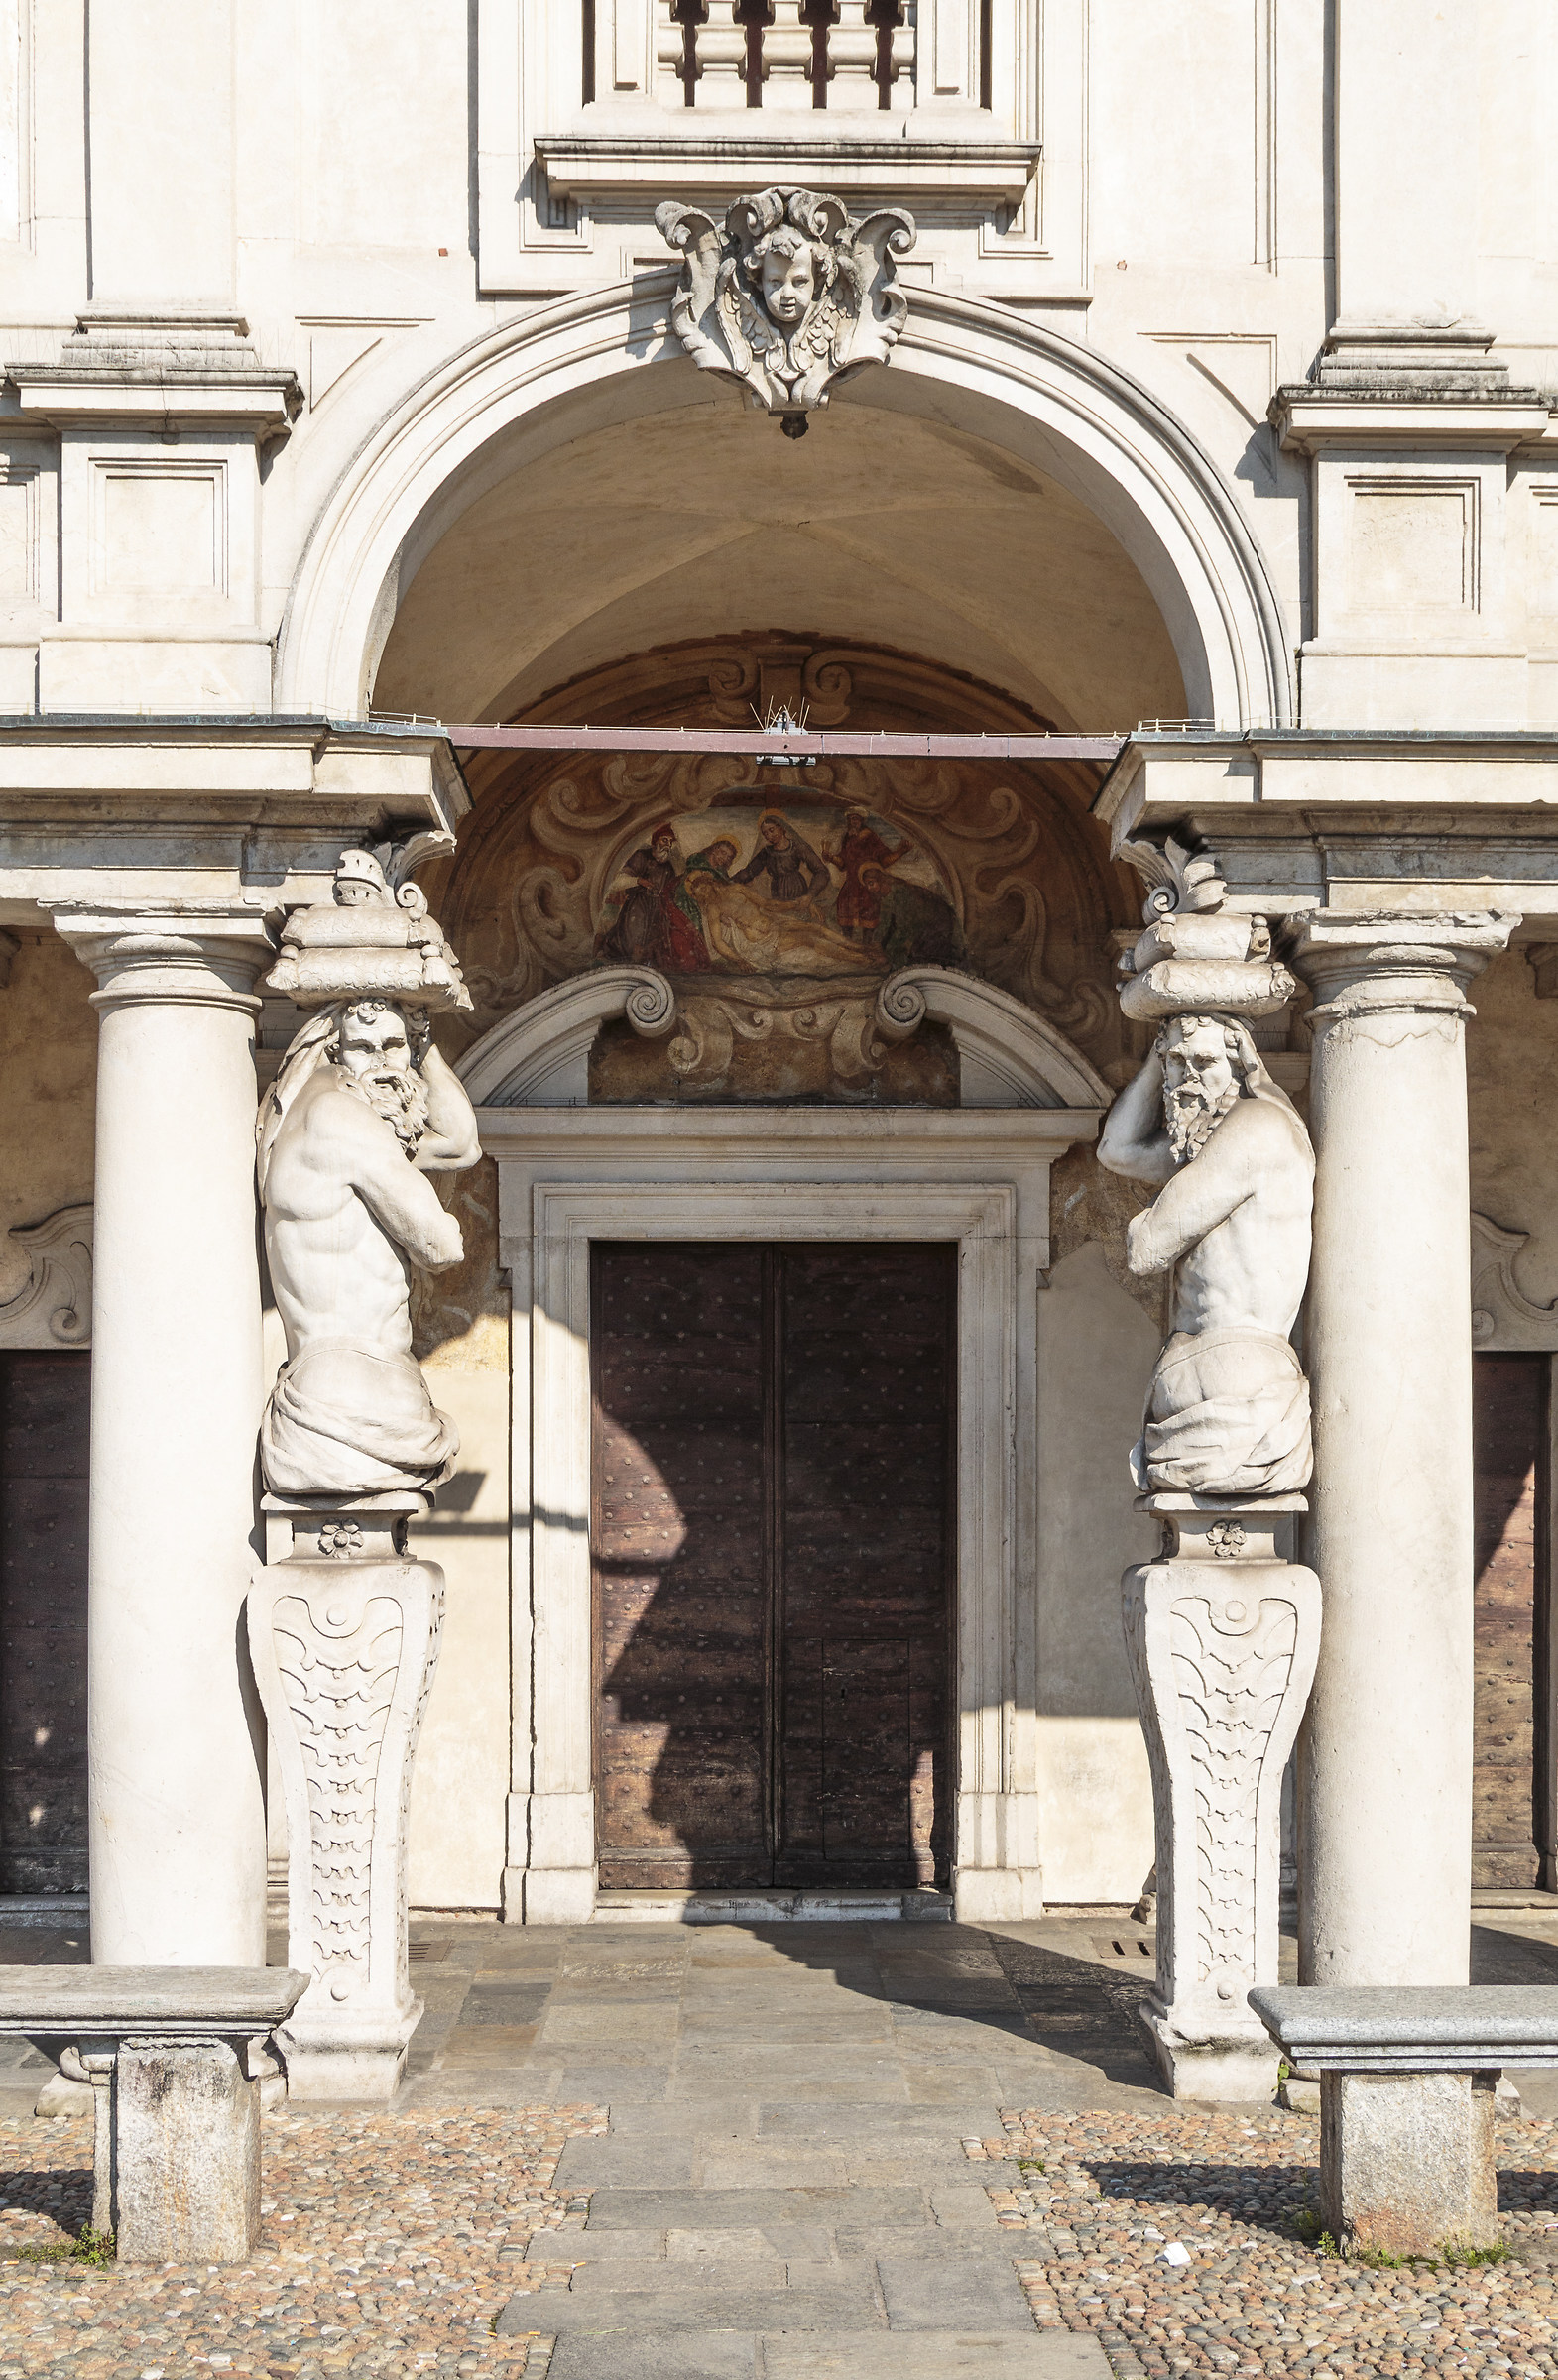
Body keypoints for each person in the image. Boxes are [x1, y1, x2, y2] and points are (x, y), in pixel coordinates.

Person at [257, 997, 482, 1498]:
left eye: (394, 1045)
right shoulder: (339, 1116)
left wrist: (423, 1050)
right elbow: (440, 1245)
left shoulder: (331, 1115)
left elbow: (460, 1144)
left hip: (348, 1378)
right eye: (362, 1047)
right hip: (354, 1386)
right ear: (333, 1053)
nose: (381, 1062)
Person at [1097, 1012, 1314, 1497]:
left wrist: (1149, 1219)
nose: (1190, 1076)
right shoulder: (1208, 1147)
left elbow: (1147, 1249)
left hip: (1242, 1381)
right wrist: (1157, 1062)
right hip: (1208, 1382)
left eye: (1207, 1061)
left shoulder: (1258, 1126)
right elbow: (1117, 1151)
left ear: (1240, 1065)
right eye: (1178, 1063)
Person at [733, 812, 830, 906]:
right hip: (777, 892)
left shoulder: (798, 847)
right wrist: (729, 882)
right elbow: (748, 872)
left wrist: (810, 895)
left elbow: (822, 871)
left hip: (798, 890)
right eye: (765, 834)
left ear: (781, 828)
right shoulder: (766, 852)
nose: (769, 836)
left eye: (771, 830)